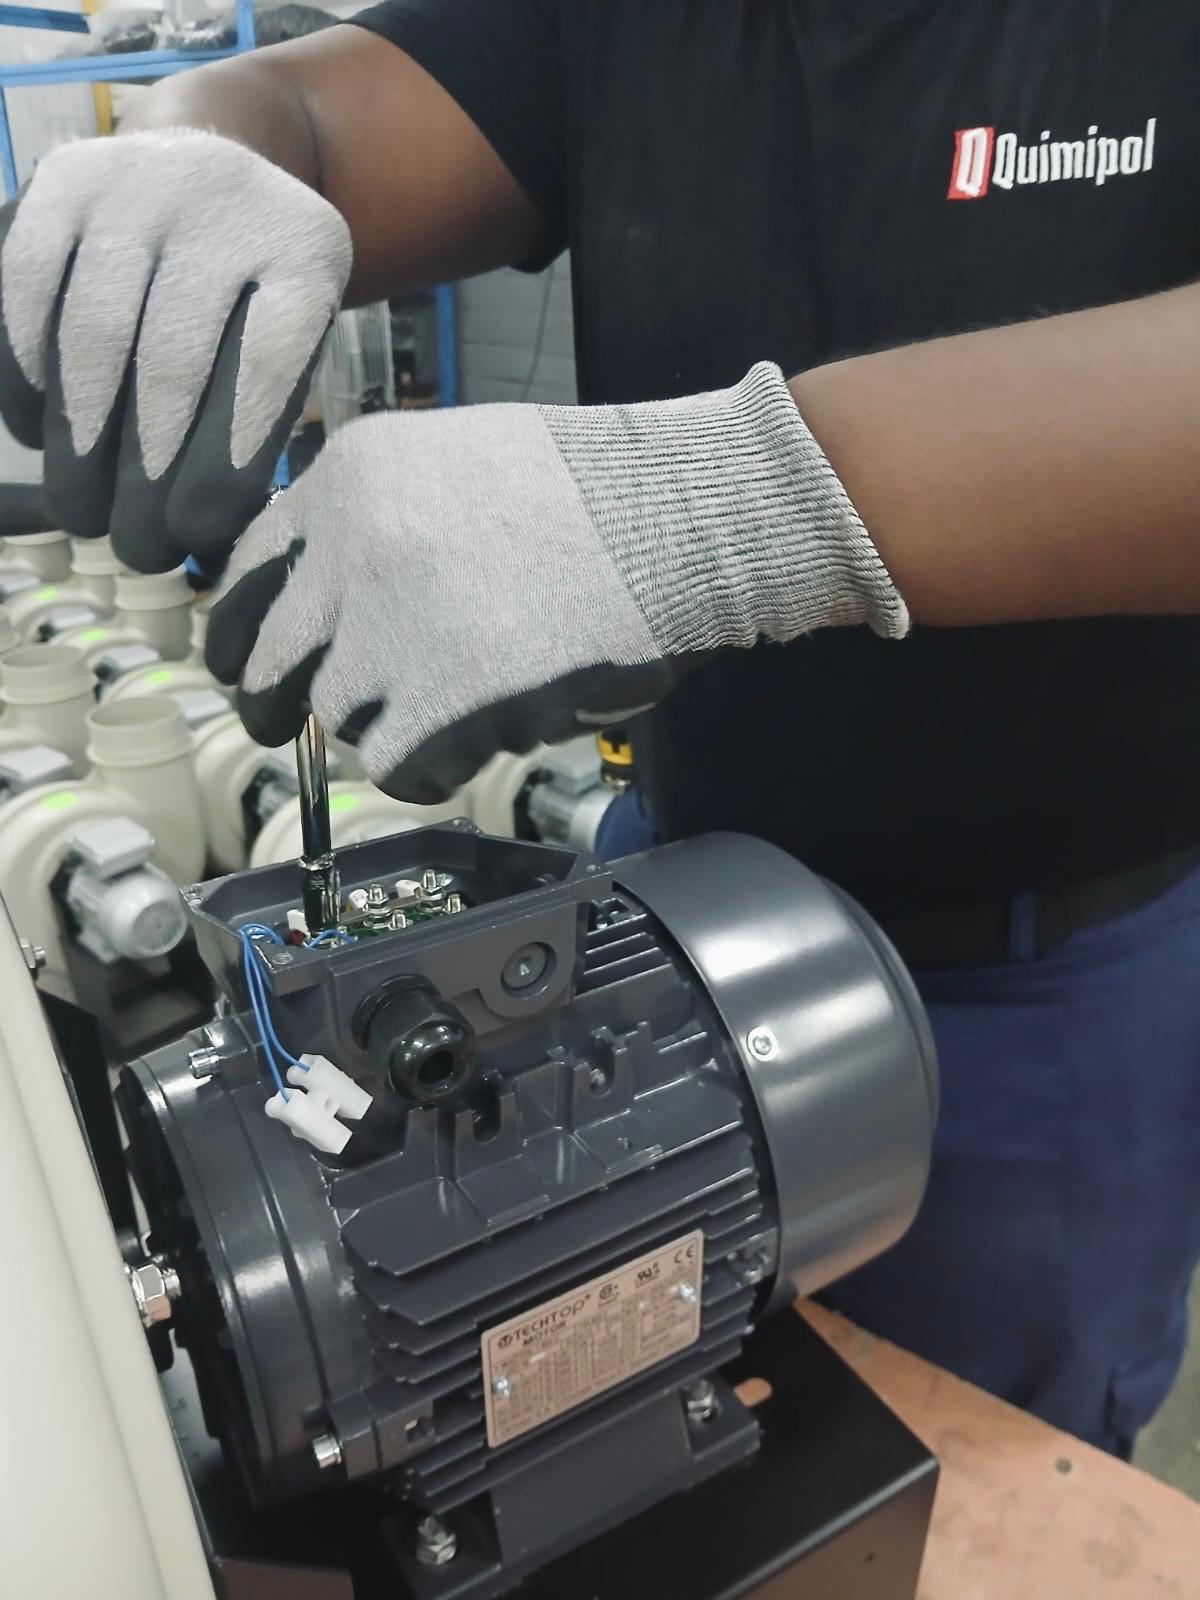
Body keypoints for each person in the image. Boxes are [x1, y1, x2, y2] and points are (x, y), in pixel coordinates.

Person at [2, 0, 1198, 1459]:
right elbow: (316, 114)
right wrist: (200, 150)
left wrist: (729, 499)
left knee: (991, 1483)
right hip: (676, 908)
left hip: (1038, 993)